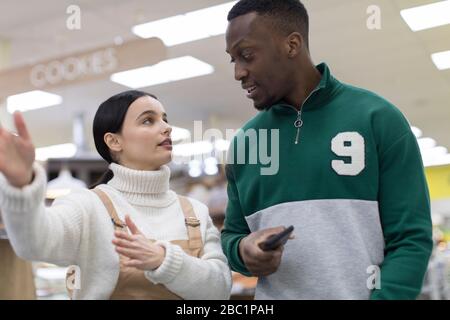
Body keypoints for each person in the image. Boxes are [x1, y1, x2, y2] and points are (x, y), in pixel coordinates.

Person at [221, 0, 432, 300]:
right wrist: (243, 251)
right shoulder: (245, 143)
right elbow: (232, 236)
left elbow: (411, 238)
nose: (238, 73)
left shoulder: (378, 119)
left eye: (247, 55)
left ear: (292, 45)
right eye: (233, 60)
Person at [0, 90, 232, 300]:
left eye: (165, 119)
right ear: (114, 141)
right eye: (148, 120)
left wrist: (163, 260)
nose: (166, 127)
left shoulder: (195, 212)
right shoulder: (88, 206)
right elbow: (33, 244)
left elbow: (220, 289)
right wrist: (21, 185)